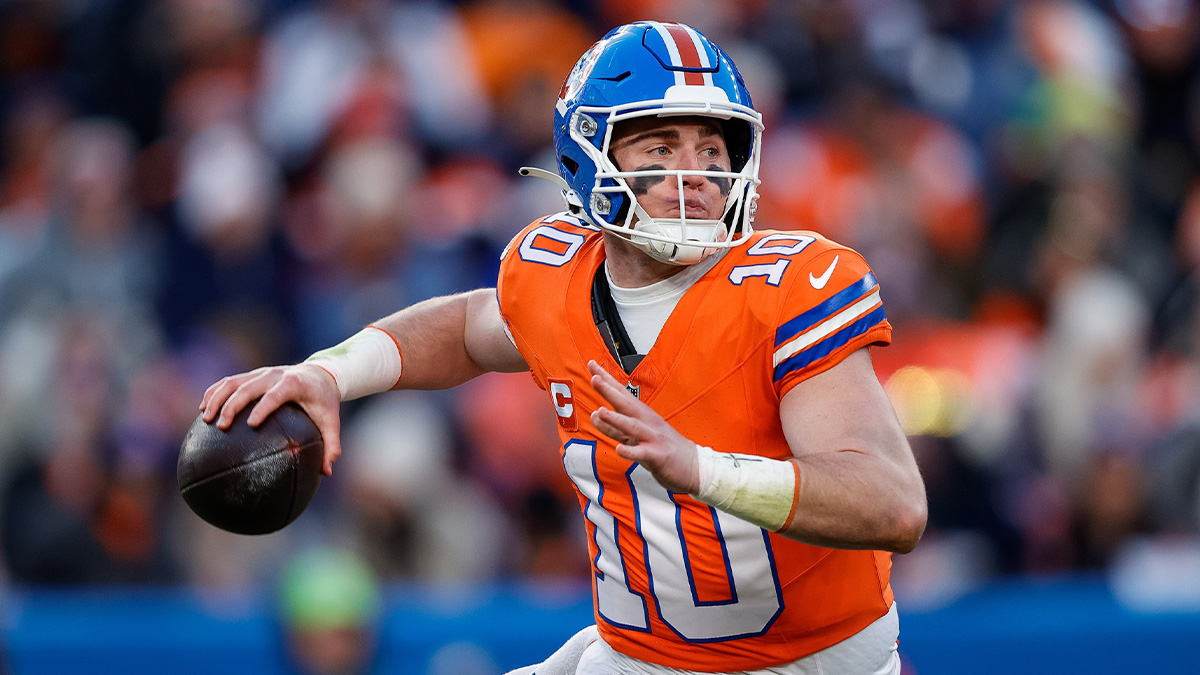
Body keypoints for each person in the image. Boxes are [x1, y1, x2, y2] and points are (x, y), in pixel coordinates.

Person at [200, 21, 926, 675]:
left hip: (811, 664)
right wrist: (330, 373)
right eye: (661, 145)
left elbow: (893, 505)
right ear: (590, 155)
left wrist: (703, 469)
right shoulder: (555, 274)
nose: (695, 173)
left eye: (712, 147)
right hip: (640, 655)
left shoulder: (789, 286)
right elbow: (464, 329)